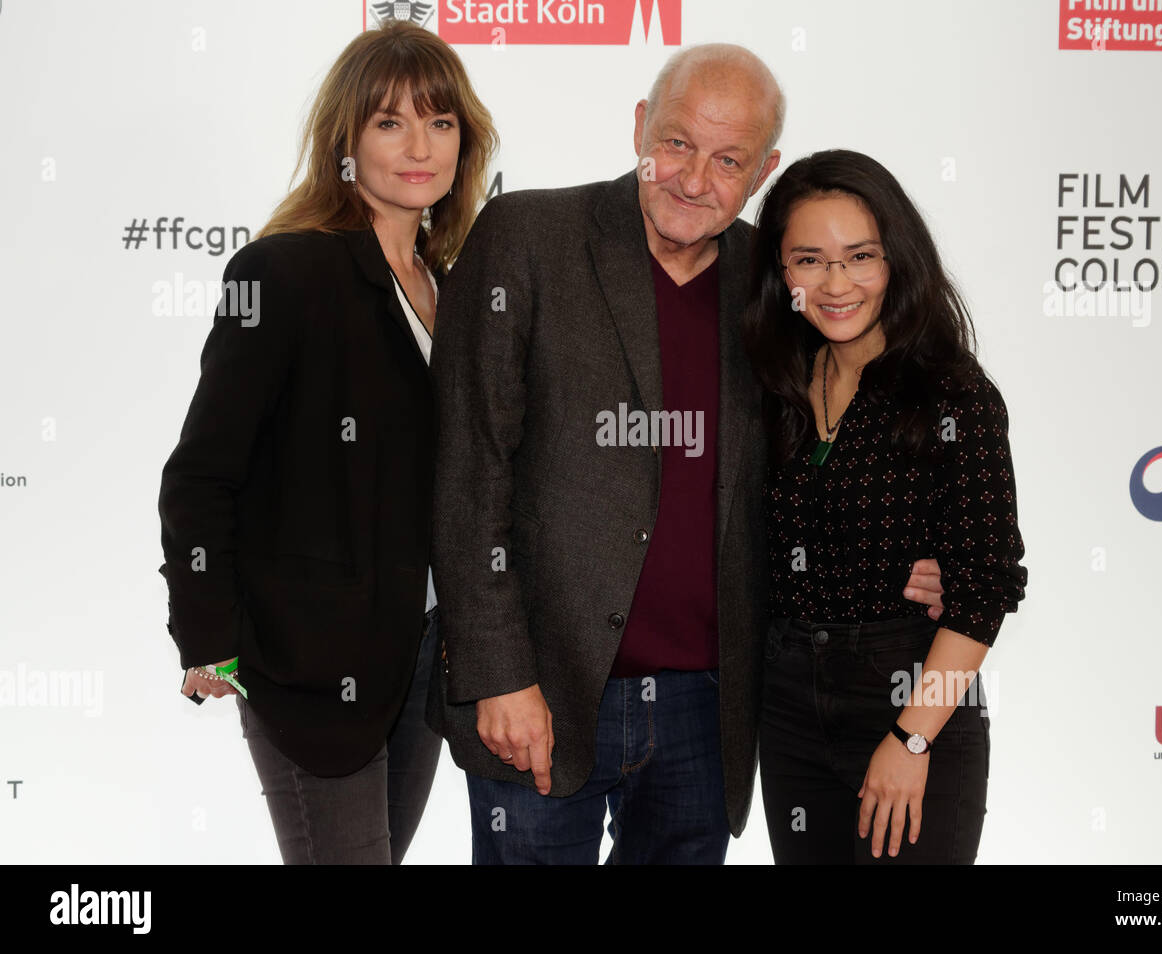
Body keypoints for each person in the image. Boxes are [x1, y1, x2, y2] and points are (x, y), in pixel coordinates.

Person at [426, 45, 944, 865]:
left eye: (729, 159)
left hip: (710, 708)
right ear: (639, 125)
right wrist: (495, 672)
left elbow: (833, 450)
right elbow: (468, 469)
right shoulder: (528, 237)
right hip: (541, 693)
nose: (694, 179)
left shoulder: (775, 285)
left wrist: (917, 560)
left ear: (764, 169)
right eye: (675, 143)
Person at [157, 20, 497, 864]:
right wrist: (209, 640)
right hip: (310, 660)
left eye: (440, 121)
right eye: (390, 123)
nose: (420, 145)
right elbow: (201, 474)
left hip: (422, 656)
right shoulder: (283, 271)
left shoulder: (443, 284)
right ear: (344, 142)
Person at [743, 149, 1029, 865]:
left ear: (897, 260)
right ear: (781, 274)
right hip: (785, 710)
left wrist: (912, 739)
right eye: (808, 259)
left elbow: (984, 587)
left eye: (859, 256)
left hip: (905, 696)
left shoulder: (952, 394)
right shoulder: (770, 386)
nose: (835, 283)